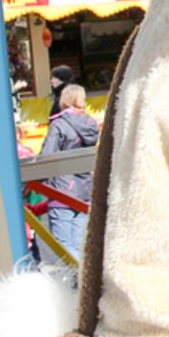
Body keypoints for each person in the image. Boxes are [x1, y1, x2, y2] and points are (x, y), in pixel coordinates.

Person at [39, 82, 99, 259]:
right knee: (79, 244)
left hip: (61, 191)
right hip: (84, 190)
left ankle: (75, 272)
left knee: (62, 245)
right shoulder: (90, 125)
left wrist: (38, 182)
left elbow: (47, 156)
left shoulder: (59, 125)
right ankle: (80, 274)